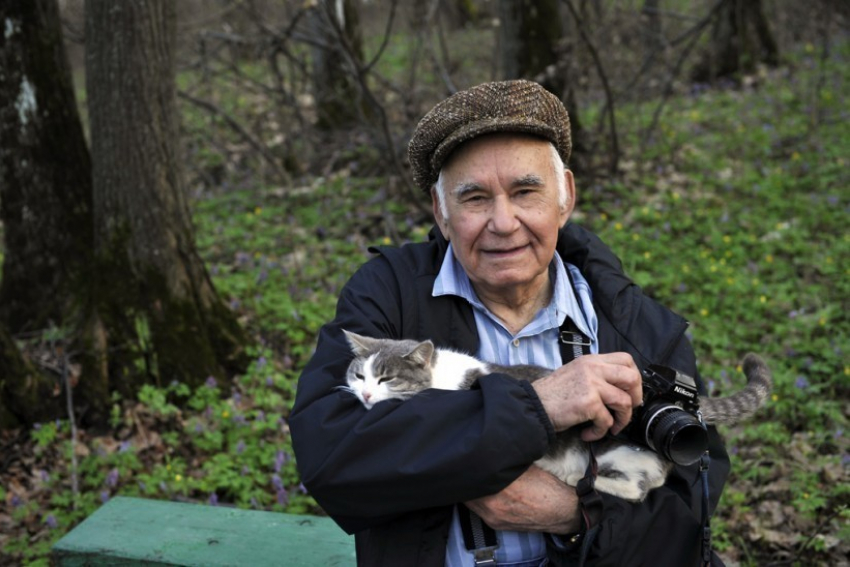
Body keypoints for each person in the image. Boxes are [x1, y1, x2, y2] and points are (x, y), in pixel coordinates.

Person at [290, 80, 730, 566]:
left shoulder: (634, 322)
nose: (503, 222)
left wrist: (574, 513)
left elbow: (688, 521)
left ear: (565, 197)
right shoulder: (389, 297)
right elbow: (332, 459)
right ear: (442, 212)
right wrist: (536, 406)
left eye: (525, 191)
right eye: (475, 198)